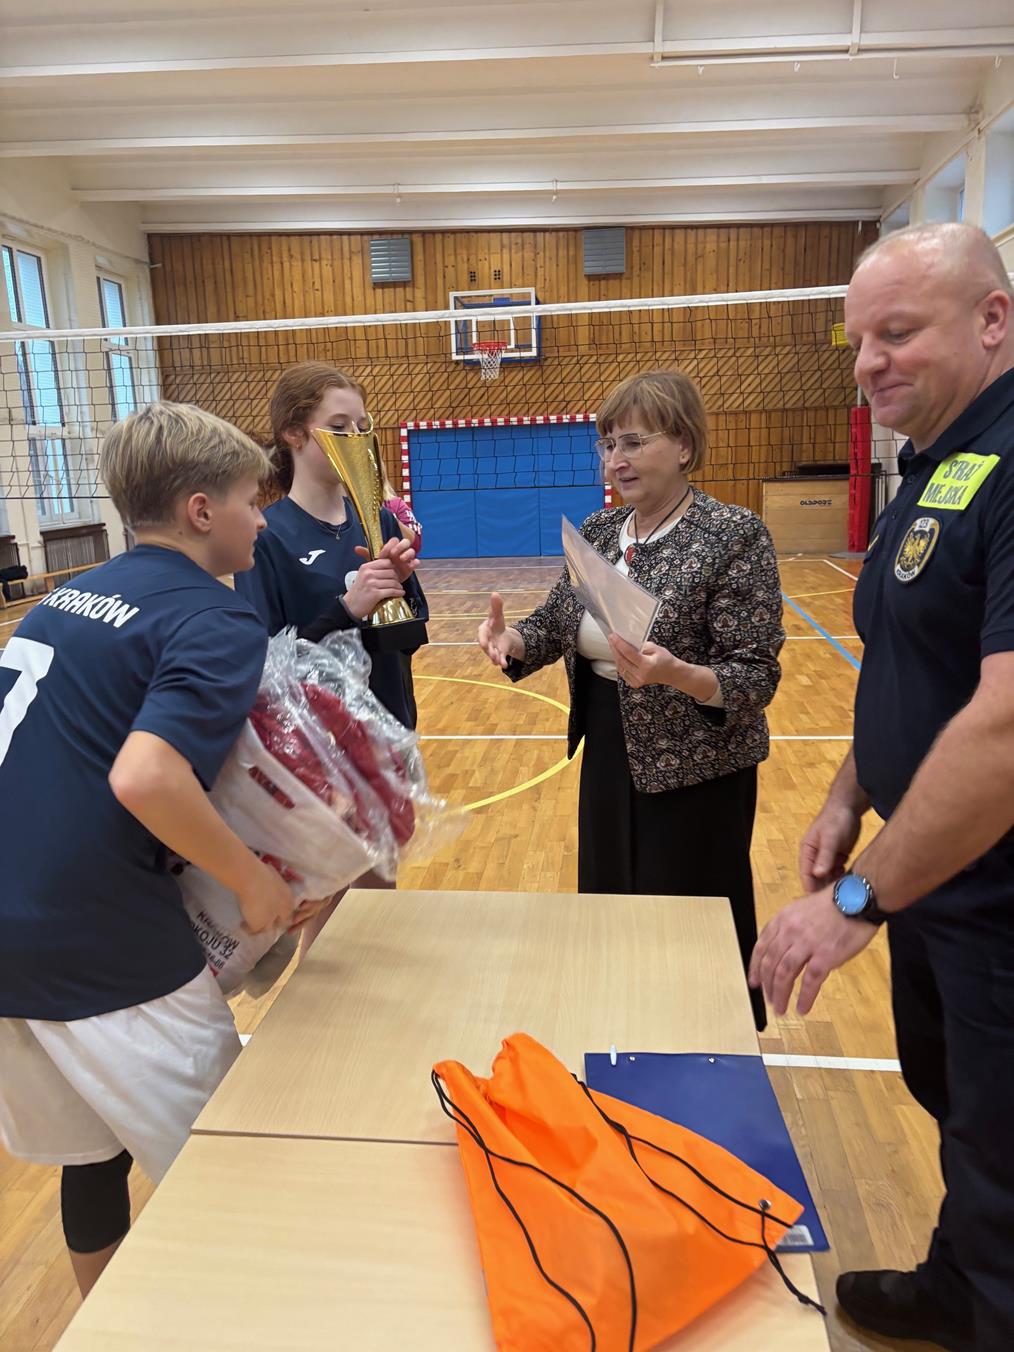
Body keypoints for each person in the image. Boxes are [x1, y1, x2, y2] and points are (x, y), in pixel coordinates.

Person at [750, 222, 1014, 1352]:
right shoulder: (938, 461)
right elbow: (915, 659)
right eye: (860, 340)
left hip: (998, 886)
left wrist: (860, 899)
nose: (869, 363)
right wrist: (847, 793)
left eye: (898, 332)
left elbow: (1005, 725)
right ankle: (961, 1282)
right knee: (966, 1112)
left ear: (993, 319)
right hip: (939, 874)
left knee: (1005, 1133)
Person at [0, 403, 306, 1299]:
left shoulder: (63, 599)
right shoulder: (213, 616)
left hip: (13, 927)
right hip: (96, 938)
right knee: (237, 1175)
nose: (263, 519)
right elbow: (146, 776)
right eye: (252, 499)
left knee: (91, 1154)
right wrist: (253, 881)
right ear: (201, 511)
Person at [478, 369, 784, 1030]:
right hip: (611, 750)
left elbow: (755, 675)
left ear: (684, 445)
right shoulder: (599, 530)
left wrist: (678, 674)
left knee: (688, 926)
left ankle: (709, 1049)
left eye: (635, 443)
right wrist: (513, 641)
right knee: (612, 906)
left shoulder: (733, 535)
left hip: (698, 767)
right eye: (609, 444)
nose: (616, 459)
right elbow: (557, 621)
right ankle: (624, 1036)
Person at [234, 361, 428, 951]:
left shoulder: (380, 518)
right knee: (332, 915)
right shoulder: (268, 537)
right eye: (339, 426)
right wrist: (347, 608)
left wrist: (398, 593)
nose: (355, 437)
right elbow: (267, 664)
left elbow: (410, 637)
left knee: (378, 907)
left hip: (386, 729)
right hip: (317, 749)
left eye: (363, 426)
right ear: (294, 433)